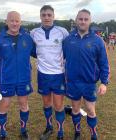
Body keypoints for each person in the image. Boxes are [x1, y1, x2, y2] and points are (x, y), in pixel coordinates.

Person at [0, 11, 35, 140]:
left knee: (23, 103)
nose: (14, 23)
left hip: (24, 78)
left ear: (20, 22)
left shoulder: (28, 37)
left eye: (17, 21)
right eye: (12, 20)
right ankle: (2, 132)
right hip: (6, 79)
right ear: (6, 22)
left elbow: (39, 53)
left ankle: (23, 130)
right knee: (5, 104)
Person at [63, 9, 109, 140]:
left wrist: (104, 83)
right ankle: (77, 133)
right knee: (76, 109)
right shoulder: (68, 40)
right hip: (73, 82)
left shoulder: (98, 40)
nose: (83, 21)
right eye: (80, 19)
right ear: (76, 20)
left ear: (90, 21)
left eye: (86, 19)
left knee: (90, 110)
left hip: (89, 83)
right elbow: (62, 58)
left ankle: (93, 134)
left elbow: (104, 63)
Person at [30, 5, 69, 140]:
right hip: (42, 74)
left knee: (58, 105)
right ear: (40, 16)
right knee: (47, 104)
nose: (46, 17)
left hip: (58, 74)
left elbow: (68, 49)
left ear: (53, 16)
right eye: (44, 15)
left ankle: (60, 131)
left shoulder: (62, 31)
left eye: (49, 15)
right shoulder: (34, 32)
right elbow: (32, 51)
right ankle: (49, 127)